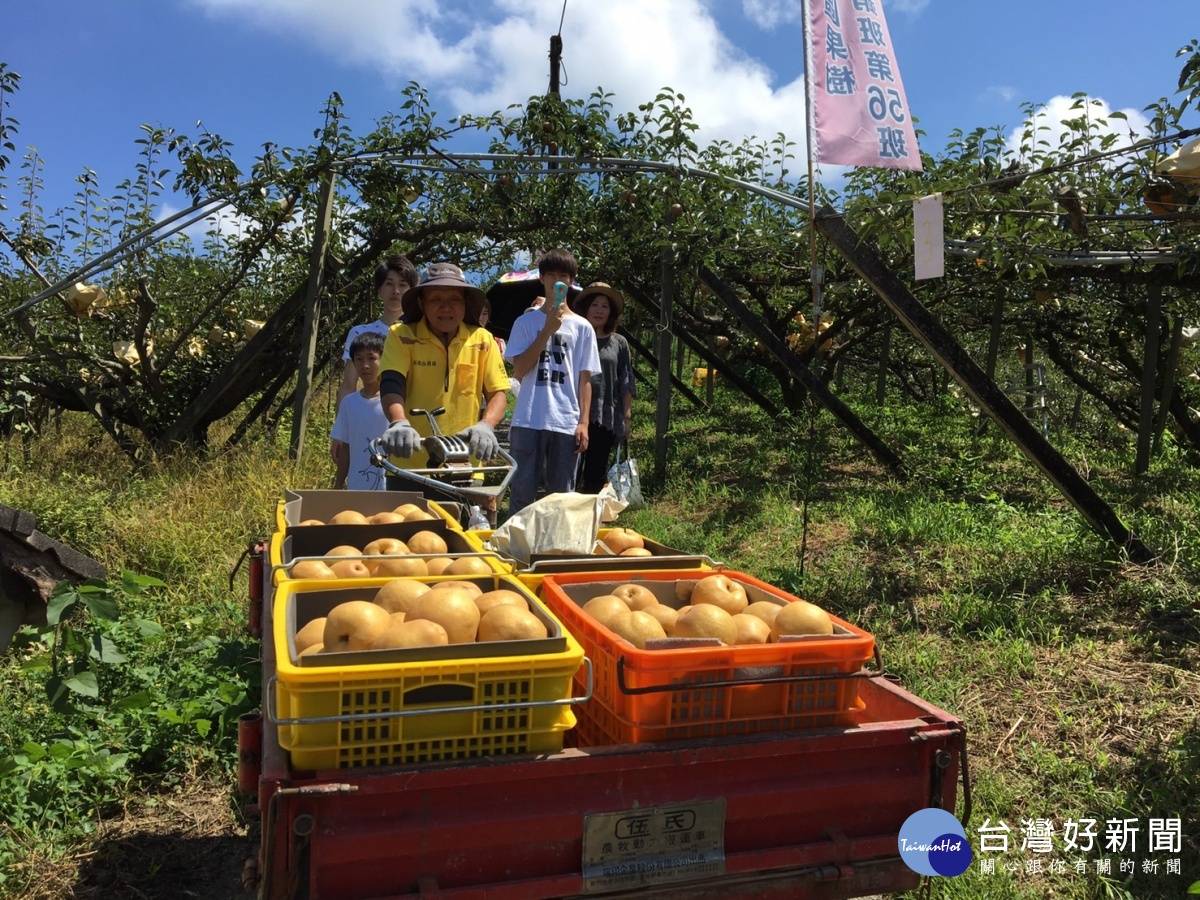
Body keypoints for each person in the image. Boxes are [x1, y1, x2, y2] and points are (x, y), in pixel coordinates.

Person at [375, 263, 509, 487]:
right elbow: (391, 383)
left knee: (465, 523)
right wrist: (399, 422)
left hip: (465, 462)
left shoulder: (483, 340)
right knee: (405, 522)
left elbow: (498, 392)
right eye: (436, 299)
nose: (446, 308)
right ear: (421, 303)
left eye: (454, 300)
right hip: (410, 462)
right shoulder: (402, 335)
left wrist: (487, 424)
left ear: (465, 304)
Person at [504, 249, 601, 515]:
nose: (557, 281)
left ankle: (555, 550)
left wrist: (583, 422)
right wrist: (547, 329)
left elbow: (585, 378)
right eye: (551, 275)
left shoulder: (583, 327)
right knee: (522, 492)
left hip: (565, 421)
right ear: (542, 279)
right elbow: (520, 370)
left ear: (571, 281)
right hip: (528, 419)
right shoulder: (525, 322)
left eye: (564, 276)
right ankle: (518, 550)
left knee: (561, 497)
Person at [330, 255, 417, 462]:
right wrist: (340, 431)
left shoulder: (420, 333)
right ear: (379, 290)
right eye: (389, 284)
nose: (396, 291)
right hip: (368, 420)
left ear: (412, 291)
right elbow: (349, 385)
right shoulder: (360, 332)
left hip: (410, 421)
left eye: (403, 285)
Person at [573, 282, 635, 493]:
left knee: (595, 473)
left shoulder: (618, 342)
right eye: (595, 305)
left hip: (604, 416)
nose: (599, 310)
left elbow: (626, 380)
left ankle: (592, 517)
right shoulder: (575, 337)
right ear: (585, 309)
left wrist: (626, 416)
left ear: (611, 313)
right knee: (569, 472)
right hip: (574, 411)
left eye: (605, 306)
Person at [331, 332, 389, 491]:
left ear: (384, 359)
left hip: (391, 489)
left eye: (371, 358)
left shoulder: (394, 403)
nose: (365, 365)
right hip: (357, 488)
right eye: (359, 359)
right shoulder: (349, 403)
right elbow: (346, 449)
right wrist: (339, 483)